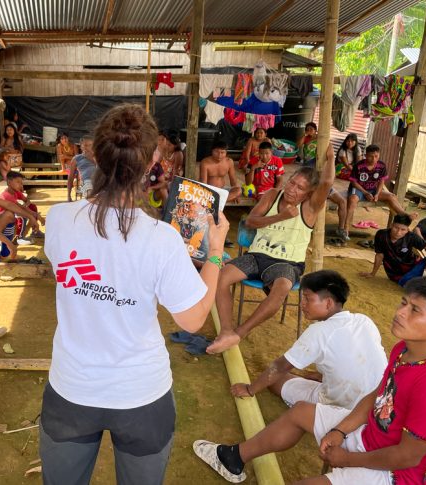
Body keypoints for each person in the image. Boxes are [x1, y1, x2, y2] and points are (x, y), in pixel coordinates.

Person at [40, 104, 230, 484]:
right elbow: (192, 320)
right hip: (142, 396)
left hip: (72, 389)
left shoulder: (59, 220)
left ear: (94, 152)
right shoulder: (162, 240)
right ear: (152, 163)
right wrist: (215, 252)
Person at [194, 276, 426, 485]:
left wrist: (347, 460)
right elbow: (377, 395)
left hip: (399, 475)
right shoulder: (404, 349)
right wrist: (341, 430)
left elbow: (408, 457)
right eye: (403, 303)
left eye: (414, 310)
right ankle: (233, 459)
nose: (400, 312)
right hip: (370, 435)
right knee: (300, 412)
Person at [208, 147, 336, 354]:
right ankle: (226, 331)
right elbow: (250, 221)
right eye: (292, 182)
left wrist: (330, 157)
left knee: (282, 287)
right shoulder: (272, 195)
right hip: (256, 256)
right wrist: (280, 216)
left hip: (286, 263)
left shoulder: (310, 208)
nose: (292, 189)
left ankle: (238, 333)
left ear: (308, 194)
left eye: (300, 188)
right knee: (221, 277)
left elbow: (328, 183)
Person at [230, 270, 387, 410]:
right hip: (380, 402)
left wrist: (250, 389)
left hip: (344, 406)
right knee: (313, 376)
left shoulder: (318, 331)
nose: (302, 304)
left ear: (328, 303)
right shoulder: (363, 320)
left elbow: (281, 367)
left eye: (307, 298)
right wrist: (323, 377)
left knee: (277, 381)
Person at [346, 145, 411, 239]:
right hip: (359, 189)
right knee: (352, 200)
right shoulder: (358, 166)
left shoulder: (381, 165)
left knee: (392, 197)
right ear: (365, 155)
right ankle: (346, 228)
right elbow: (353, 182)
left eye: (376, 156)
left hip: (373, 190)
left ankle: (405, 216)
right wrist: (365, 193)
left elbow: (381, 181)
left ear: (379, 155)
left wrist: (376, 194)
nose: (373, 159)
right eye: (370, 156)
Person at [359, 214, 426, 286]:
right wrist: (373, 273)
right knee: (409, 284)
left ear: (407, 230)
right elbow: (380, 255)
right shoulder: (381, 235)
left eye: (403, 229)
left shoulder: (411, 237)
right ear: (391, 225)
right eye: (396, 228)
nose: (398, 232)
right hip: (396, 273)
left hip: (415, 266)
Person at [0, 171, 44, 244]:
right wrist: (37, 216)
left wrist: (26, 207)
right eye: (18, 182)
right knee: (22, 215)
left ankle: (35, 232)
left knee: (32, 206)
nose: (20, 185)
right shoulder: (6, 195)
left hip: (10, 217)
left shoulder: (16, 191)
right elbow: (20, 209)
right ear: (9, 182)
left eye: (21, 182)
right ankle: (19, 238)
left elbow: (27, 201)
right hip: (1, 223)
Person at [67, 135, 97, 201]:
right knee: (90, 192)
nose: (87, 147)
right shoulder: (76, 158)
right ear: (81, 146)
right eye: (85, 145)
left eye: (90, 145)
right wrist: (68, 195)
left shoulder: (99, 156)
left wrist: (92, 158)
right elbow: (70, 177)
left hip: (100, 180)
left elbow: (103, 169)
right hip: (87, 181)